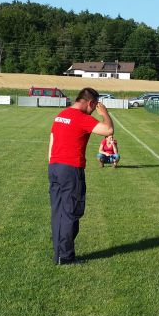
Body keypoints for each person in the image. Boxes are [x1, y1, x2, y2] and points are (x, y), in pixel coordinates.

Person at [48, 87, 113, 265]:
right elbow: (108, 130)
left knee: (58, 212)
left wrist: (51, 164)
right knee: (71, 212)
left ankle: (59, 253)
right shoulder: (81, 118)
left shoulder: (61, 115)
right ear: (91, 102)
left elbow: (52, 139)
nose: (94, 110)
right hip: (71, 169)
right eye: (94, 107)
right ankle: (66, 256)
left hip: (54, 166)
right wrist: (105, 113)